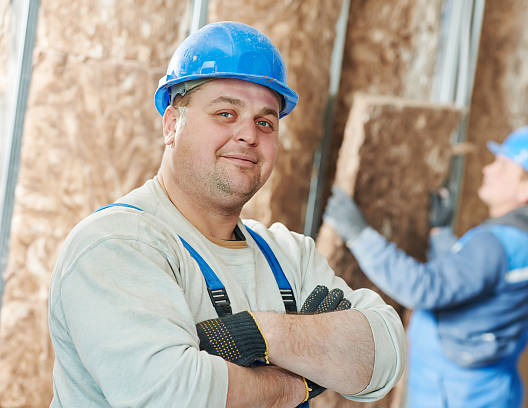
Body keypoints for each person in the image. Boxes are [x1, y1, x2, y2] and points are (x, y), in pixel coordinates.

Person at [48, 22, 406, 408]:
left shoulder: (289, 256)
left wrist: (260, 332)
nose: (249, 135)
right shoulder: (118, 244)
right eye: (225, 113)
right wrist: (298, 382)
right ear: (172, 125)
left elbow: (385, 355)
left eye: (265, 122)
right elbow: (175, 396)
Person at [323, 126, 528, 408]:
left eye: (503, 167)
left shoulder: (496, 244)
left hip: (452, 394)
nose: (488, 170)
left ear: (527, 190)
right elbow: (468, 278)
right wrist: (441, 235)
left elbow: (424, 288)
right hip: (489, 390)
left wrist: (359, 234)